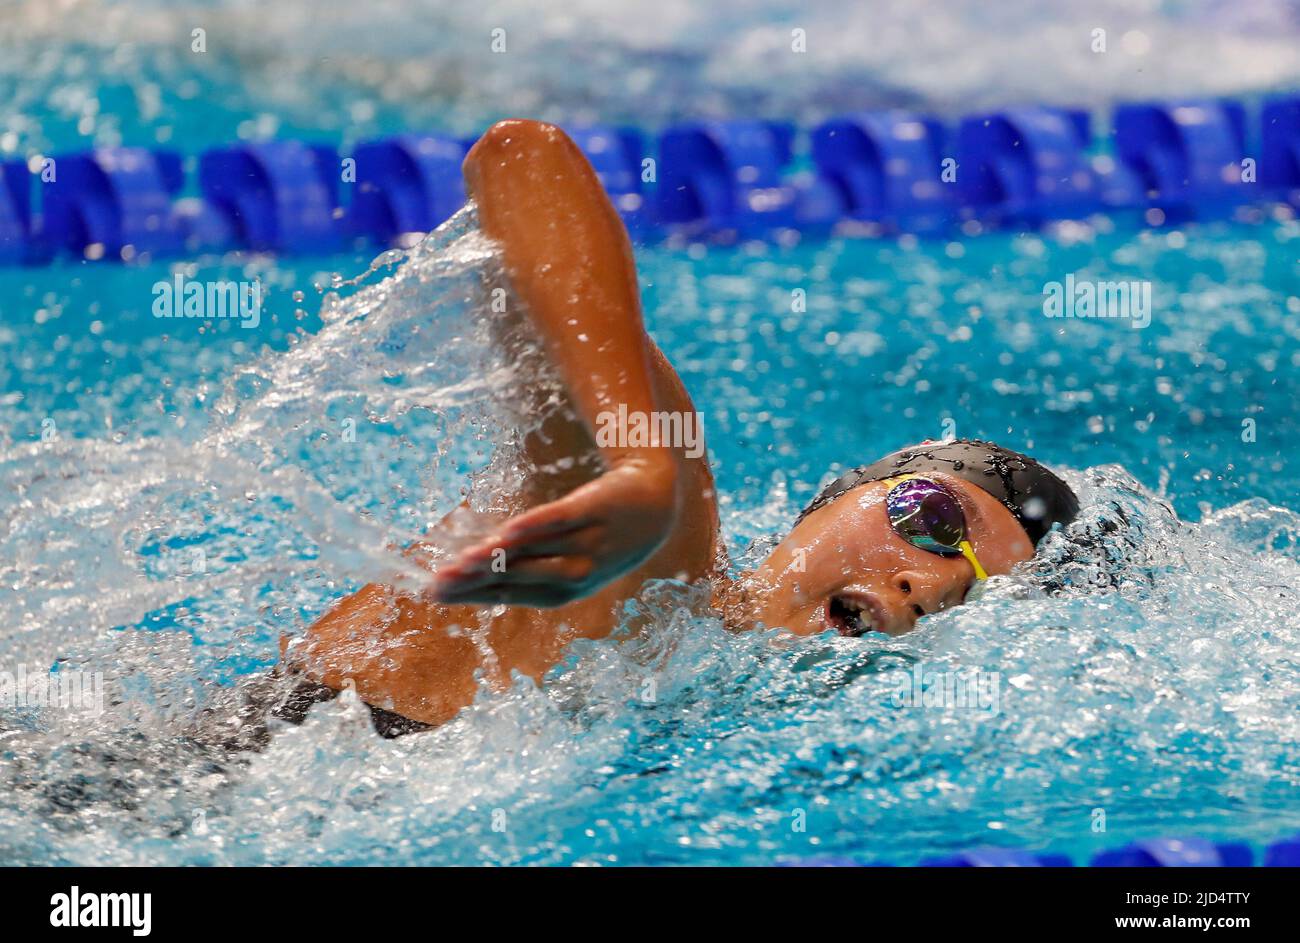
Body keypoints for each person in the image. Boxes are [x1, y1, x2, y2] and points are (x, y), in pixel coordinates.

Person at [245, 119, 1078, 740]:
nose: (927, 588)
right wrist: (640, 473)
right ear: (834, 497)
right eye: (933, 525)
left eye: (971, 596)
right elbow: (522, 161)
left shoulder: (713, 704)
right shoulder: (661, 550)